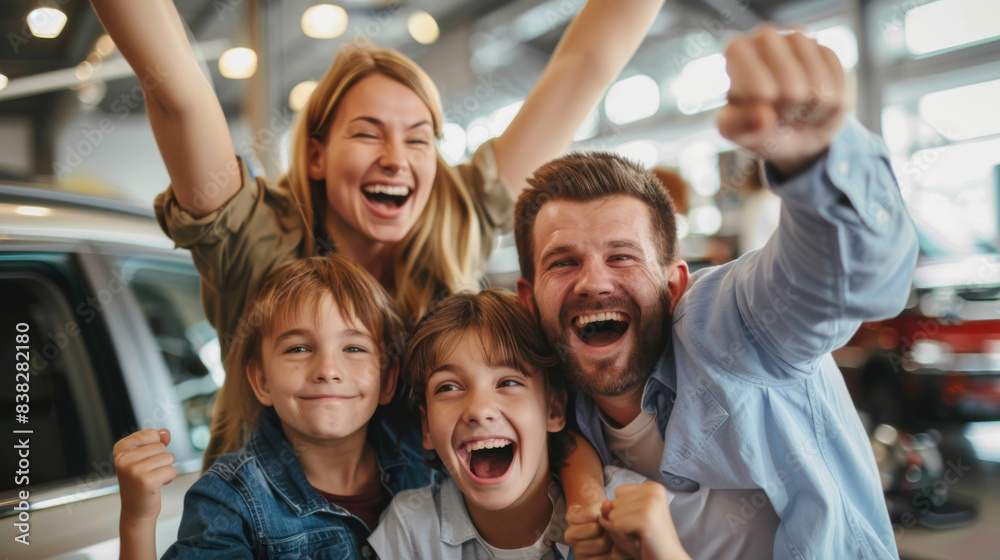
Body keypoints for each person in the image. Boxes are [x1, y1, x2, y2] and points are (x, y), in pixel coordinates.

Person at [88, 0, 666, 474]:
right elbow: (177, 95)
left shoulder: (454, 213)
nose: (396, 159)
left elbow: (584, 66)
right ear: (316, 154)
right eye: (368, 134)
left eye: (418, 139)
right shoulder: (257, 237)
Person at [513, 26, 918, 560]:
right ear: (528, 297)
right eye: (563, 262)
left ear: (675, 284)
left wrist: (817, 162)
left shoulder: (732, 325)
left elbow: (847, 281)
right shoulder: (553, 395)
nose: (593, 282)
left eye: (622, 256)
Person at [112, 256, 436, 559]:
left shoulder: (431, 469)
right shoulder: (227, 500)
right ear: (261, 381)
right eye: (298, 348)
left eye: (354, 347)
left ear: (388, 380)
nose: (327, 369)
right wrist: (138, 520)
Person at [368, 289, 689, 560]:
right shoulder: (410, 529)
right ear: (426, 427)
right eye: (448, 387)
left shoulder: (632, 508)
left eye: (507, 382)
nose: (479, 410)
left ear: (553, 409)